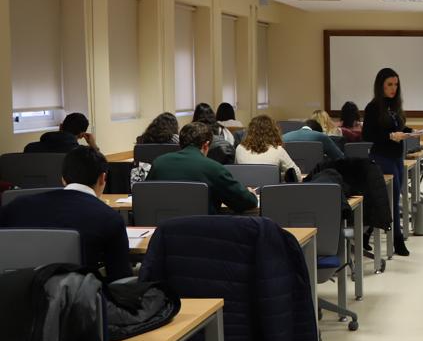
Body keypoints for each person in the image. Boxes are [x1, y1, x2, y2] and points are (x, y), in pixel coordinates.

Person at [0, 146, 132, 282]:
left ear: (63, 178)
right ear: (102, 178)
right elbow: (120, 279)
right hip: (75, 298)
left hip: (15, 295)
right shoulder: (110, 218)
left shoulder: (16, 206)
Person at [147, 122, 257, 213]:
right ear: (206, 145)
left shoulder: (159, 163)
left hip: (165, 228)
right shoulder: (213, 168)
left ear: (180, 143)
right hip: (203, 230)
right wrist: (251, 194)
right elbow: (246, 202)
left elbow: (146, 195)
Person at [363, 67, 416, 256]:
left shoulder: (394, 107)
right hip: (381, 157)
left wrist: (409, 131)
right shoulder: (373, 108)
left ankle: (366, 233)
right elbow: (368, 135)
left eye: (396, 84)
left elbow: (397, 126)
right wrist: (390, 136)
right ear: (381, 86)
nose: (393, 88)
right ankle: (397, 240)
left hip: (396, 156)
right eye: (389, 85)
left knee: (391, 198)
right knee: (392, 200)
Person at [236, 115, 302, 179]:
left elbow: (237, 173)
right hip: (269, 189)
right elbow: (297, 176)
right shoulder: (278, 150)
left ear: (249, 131)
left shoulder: (239, 148)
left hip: (246, 189)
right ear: (274, 131)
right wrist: (278, 176)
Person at [23, 112, 96, 153]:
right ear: (81, 135)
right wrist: (94, 146)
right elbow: (101, 167)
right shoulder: (83, 153)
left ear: (61, 127)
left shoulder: (30, 148)